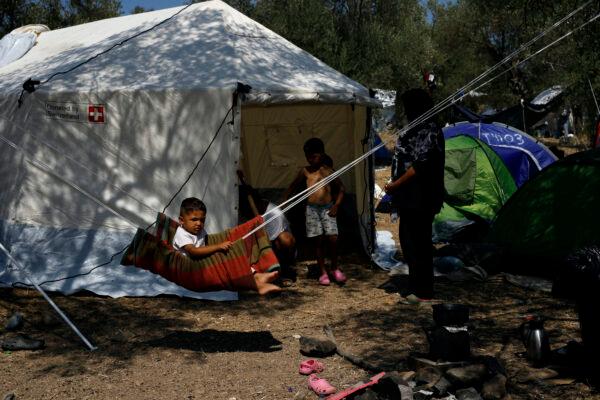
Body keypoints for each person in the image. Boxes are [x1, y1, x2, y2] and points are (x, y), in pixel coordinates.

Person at [384, 88, 445, 301]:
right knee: (409, 242)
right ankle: (416, 284)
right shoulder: (416, 127)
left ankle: (424, 290)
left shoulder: (429, 130)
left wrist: (395, 184)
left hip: (422, 197)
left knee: (419, 243)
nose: (406, 111)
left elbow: (420, 166)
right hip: (409, 198)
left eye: (409, 106)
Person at [173, 197, 281, 294]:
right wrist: (218, 247)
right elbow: (193, 252)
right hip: (190, 271)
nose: (199, 223)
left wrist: (219, 247)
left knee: (231, 254)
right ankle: (257, 285)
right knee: (224, 260)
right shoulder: (182, 233)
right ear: (181, 220)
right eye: (194, 219)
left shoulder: (199, 231)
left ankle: (255, 275)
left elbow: (207, 242)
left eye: (202, 220)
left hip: (201, 263)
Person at [284, 138, 346, 286]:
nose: (310, 160)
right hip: (311, 210)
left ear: (322, 154)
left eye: (314, 156)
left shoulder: (328, 170)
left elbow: (342, 189)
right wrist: (284, 201)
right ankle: (323, 272)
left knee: (333, 239)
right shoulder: (305, 171)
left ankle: (335, 268)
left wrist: (336, 205)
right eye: (308, 157)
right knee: (318, 241)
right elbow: (292, 187)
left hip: (327, 208)